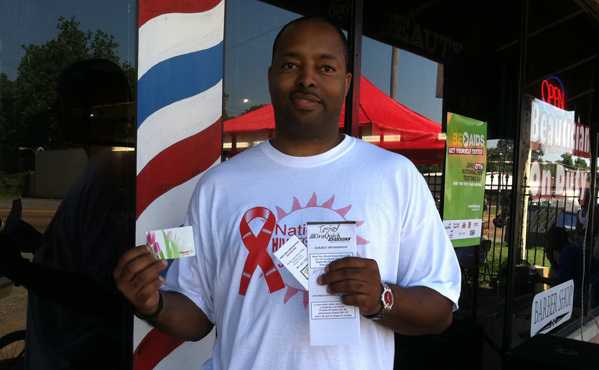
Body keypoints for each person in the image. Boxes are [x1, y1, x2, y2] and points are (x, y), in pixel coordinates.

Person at [115, 16, 461, 370]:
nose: (307, 79)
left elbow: (440, 309)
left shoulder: (394, 177)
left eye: (325, 67)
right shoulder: (219, 186)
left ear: (346, 84)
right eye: (291, 65)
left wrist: (381, 298)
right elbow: (197, 315)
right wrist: (151, 304)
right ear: (270, 77)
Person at [0, 59, 135, 370]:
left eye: (63, 101)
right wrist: (40, 244)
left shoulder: (111, 179)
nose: (55, 112)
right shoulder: (100, 171)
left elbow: (102, 294)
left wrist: (15, 267)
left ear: (90, 109)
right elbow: (87, 260)